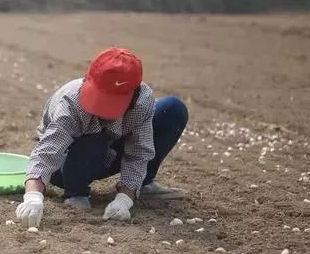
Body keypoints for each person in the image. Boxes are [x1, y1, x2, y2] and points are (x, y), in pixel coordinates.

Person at [15, 47, 188, 227]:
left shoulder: (142, 101)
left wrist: (125, 199)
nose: (103, 109)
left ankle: (141, 184)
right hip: (67, 162)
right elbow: (48, 152)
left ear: (133, 94)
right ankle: (76, 193)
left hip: (107, 152)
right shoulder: (72, 101)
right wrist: (33, 197)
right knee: (93, 137)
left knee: (172, 109)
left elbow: (139, 151)